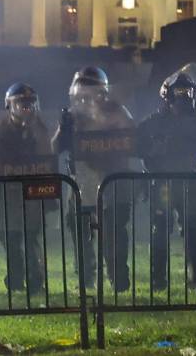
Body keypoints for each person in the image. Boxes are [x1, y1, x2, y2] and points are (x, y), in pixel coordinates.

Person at [52, 66, 136, 292]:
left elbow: (131, 141)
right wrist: (63, 128)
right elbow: (54, 149)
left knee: (114, 232)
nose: (85, 100)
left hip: (112, 180)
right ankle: (86, 278)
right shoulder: (72, 117)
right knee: (80, 232)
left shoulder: (117, 113)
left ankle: (118, 278)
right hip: (81, 181)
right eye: (81, 94)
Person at [136, 66, 196, 291]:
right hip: (162, 182)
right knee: (161, 229)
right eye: (178, 92)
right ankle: (158, 280)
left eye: (186, 92)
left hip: (190, 181)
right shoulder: (154, 121)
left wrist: (183, 145)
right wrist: (157, 149)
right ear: (168, 96)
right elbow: (137, 145)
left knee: (192, 229)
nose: (183, 97)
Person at [0, 83, 54, 294]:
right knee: (9, 237)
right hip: (9, 194)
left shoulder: (42, 130)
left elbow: (49, 157)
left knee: (31, 237)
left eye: (30, 104)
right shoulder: (0, 132)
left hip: (33, 194)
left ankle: (36, 282)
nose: (26, 108)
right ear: (9, 105)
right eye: (20, 103)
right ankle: (15, 281)